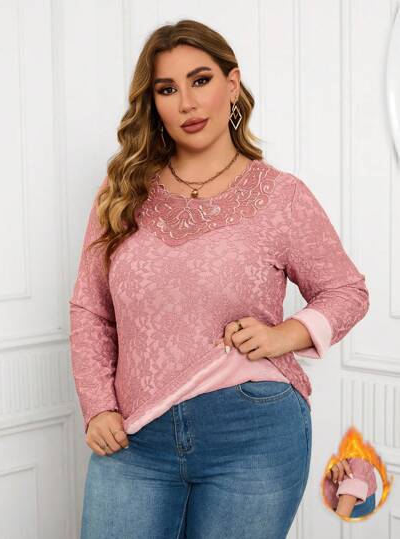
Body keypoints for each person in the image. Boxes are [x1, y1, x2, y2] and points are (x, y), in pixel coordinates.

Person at [69, 19, 370, 538]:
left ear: (232, 84)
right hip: (134, 437)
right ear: (153, 103)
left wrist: (285, 335)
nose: (187, 103)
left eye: (201, 80)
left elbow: (347, 290)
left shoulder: (281, 196)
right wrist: (98, 407)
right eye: (167, 89)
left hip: (254, 433)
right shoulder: (121, 192)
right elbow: (90, 308)